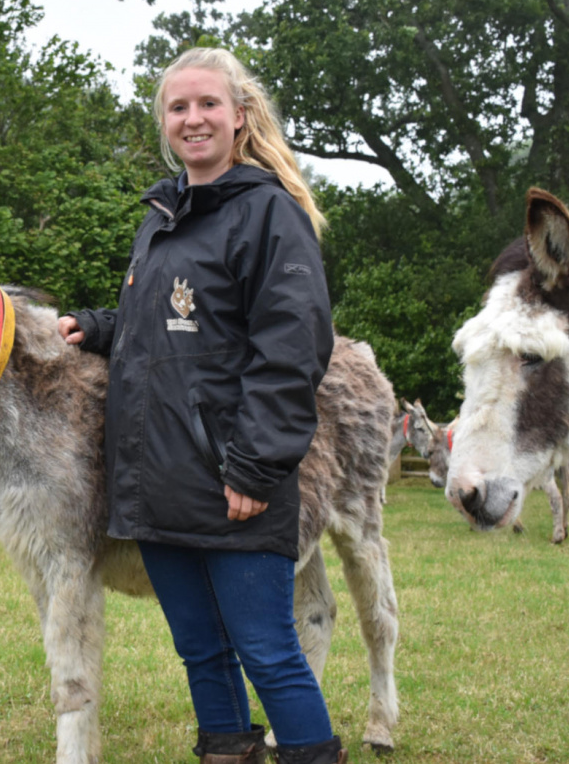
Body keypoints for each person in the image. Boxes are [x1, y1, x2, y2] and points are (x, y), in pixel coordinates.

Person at [58, 47, 345, 764]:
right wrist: (99, 327)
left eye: (208, 104)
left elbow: (293, 351)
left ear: (240, 118)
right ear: (165, 122)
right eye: (178, 107)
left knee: (268, 652)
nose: (194, 118)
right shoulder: (160, 220)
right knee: (200, 651)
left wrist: (253, 468)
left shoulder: (270, 216)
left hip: (233, 483)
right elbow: (167, 329)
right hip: (158, 481)